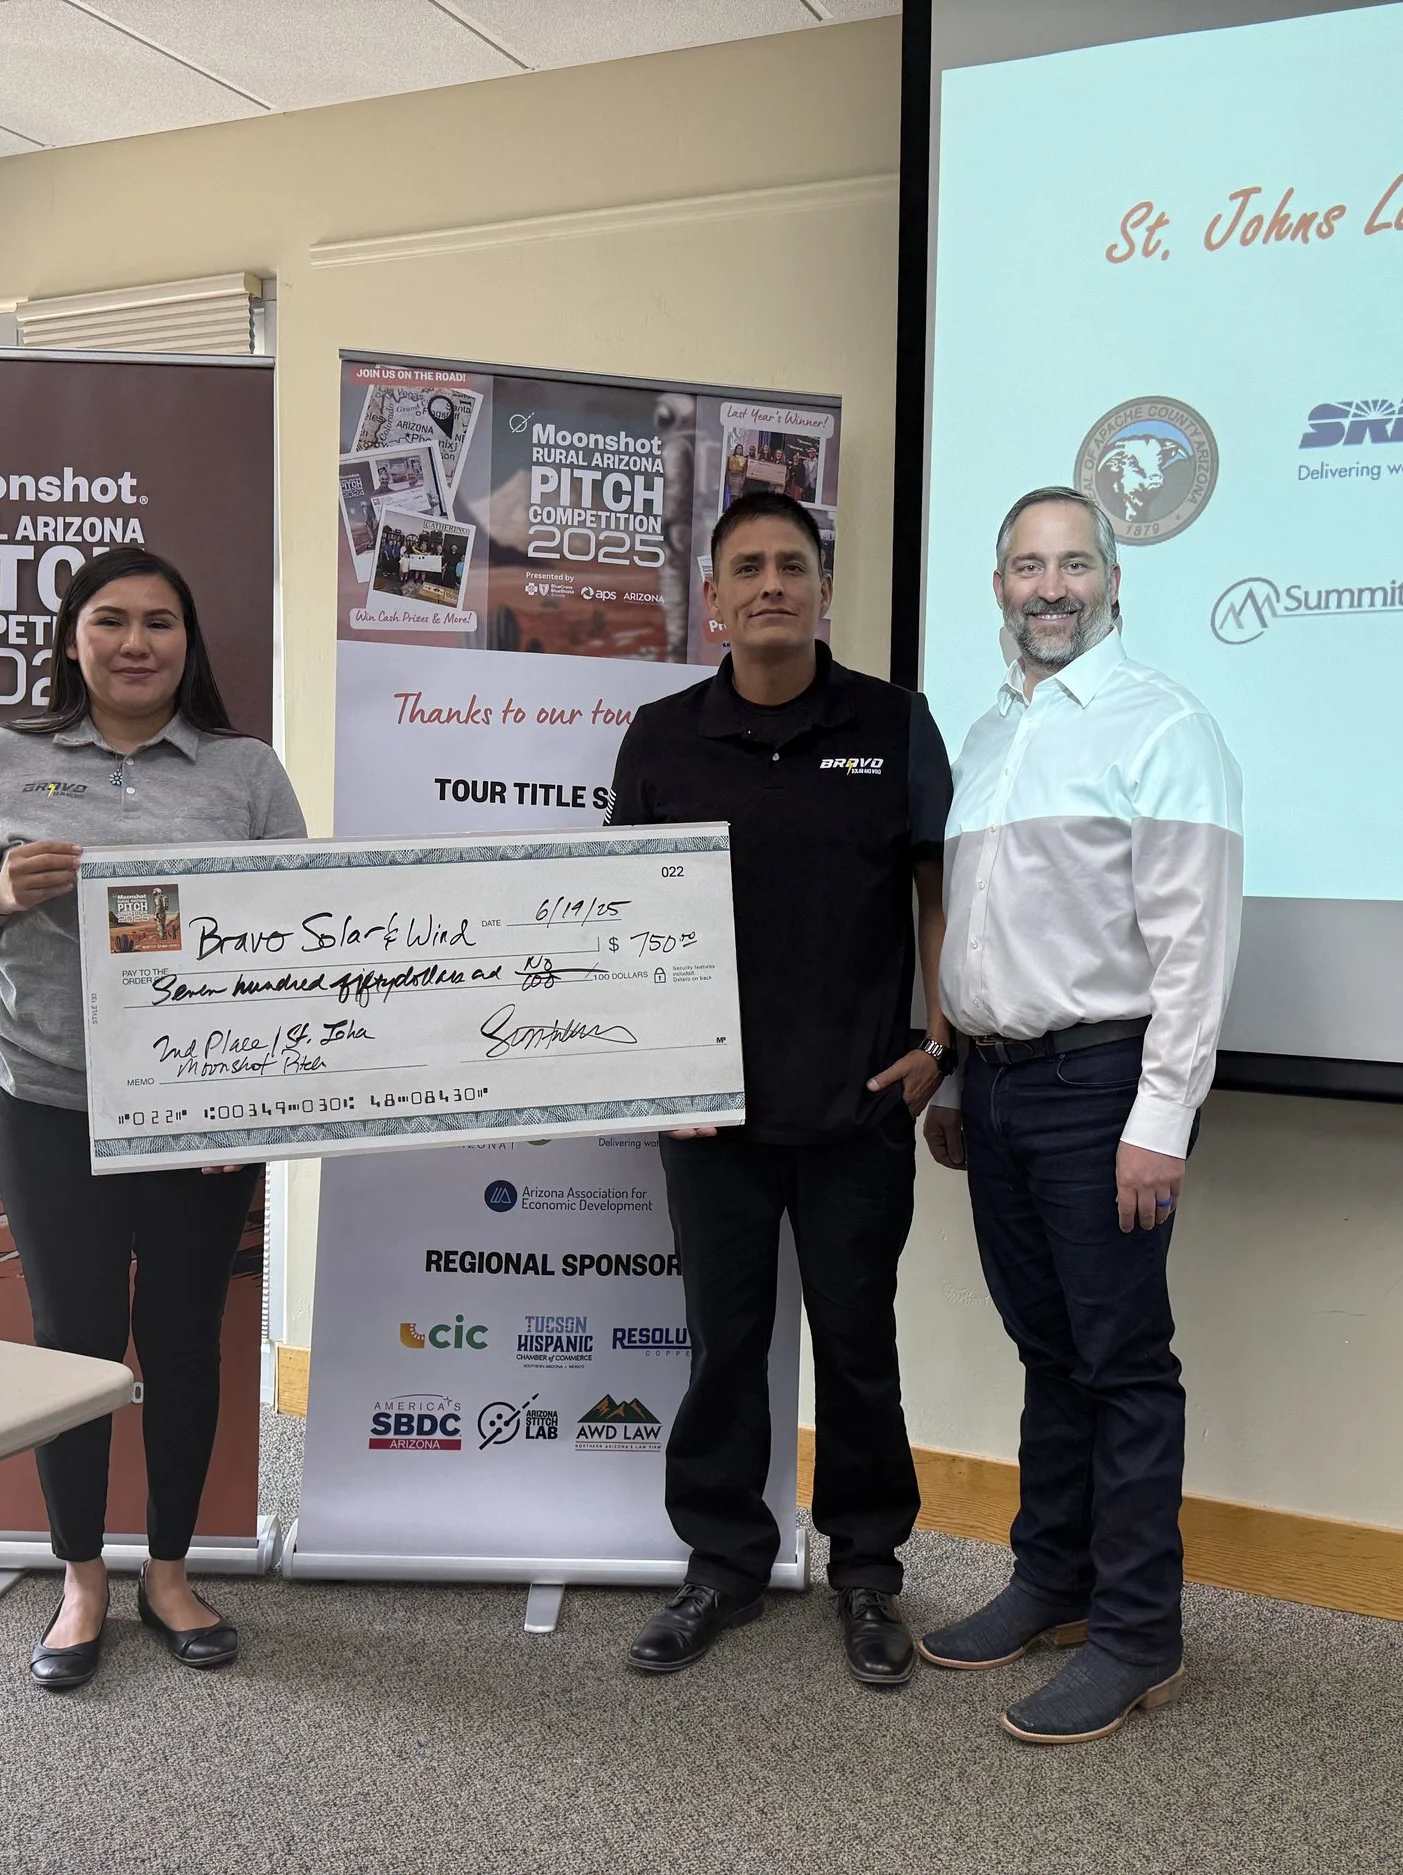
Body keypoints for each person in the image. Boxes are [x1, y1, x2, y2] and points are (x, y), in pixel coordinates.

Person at [0, 546, 306, 1692]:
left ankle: (170, 1570)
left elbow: (301, 933)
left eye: (162, 624)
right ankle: (81, 1575)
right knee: (73, 1348)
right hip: (47, 1105)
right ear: (73, 639)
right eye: (112, 622)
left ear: (191, 642)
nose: (137, 644)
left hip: (198, 1116)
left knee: (186, 1345)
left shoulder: (243, 772)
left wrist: (264, 1091)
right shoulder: (6, 758)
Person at [609, 489, 954, 1685]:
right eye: (747, 567)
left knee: (859, 1346)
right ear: (711, 598)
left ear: (821, 590)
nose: (770, 584)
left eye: (791, 566)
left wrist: (939, 1044)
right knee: (724, 1346)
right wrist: (647, 1066)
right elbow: (620, 916)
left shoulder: (895, 723)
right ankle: (721, 1566)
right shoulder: (660, 737)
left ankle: (867, 1572)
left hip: (858, 1099)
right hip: (709, 1113)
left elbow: (939, 896)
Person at [918, 486, 1243, 1745]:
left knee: (1120, 1366)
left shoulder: (1164, 728)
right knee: (1047, 1354)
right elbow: (988, 934)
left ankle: (1134, 1632)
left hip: (1104, 1089)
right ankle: (1051, 1582)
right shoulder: (993, 733)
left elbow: (1194, 944)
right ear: (998, 587)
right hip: (995, 1087)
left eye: (1071, 566)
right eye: (1022, 567)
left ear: (1113, 580)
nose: (1048, 588)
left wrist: (1163, 1117)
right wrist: (953, 1074)